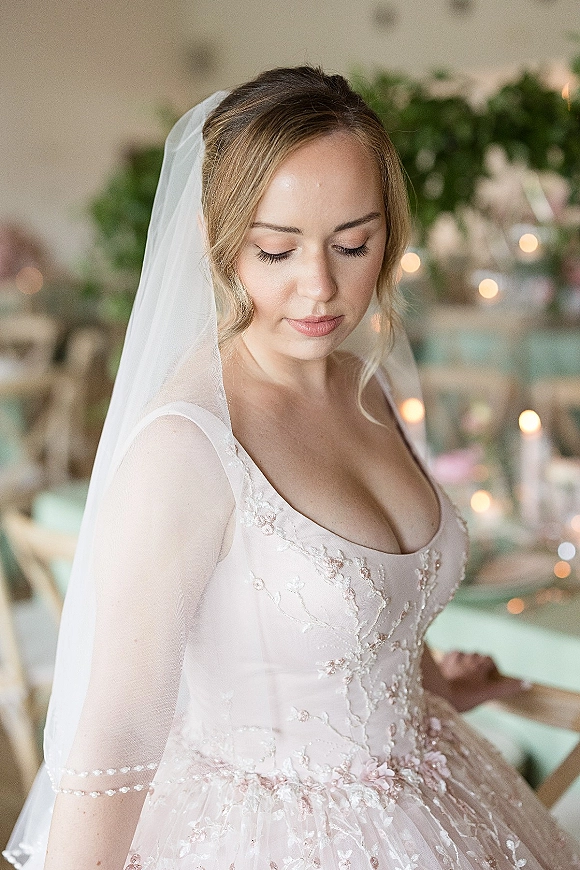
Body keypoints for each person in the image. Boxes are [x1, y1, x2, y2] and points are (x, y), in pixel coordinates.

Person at [4, 66, 579, 870]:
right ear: (215, 237)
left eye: (354, 243)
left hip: (436, 795)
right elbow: (117, 732)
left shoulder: (363, 383)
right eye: (276, 250)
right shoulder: (187, 445)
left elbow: (363, 603)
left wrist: (431, 684)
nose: (320, 288)